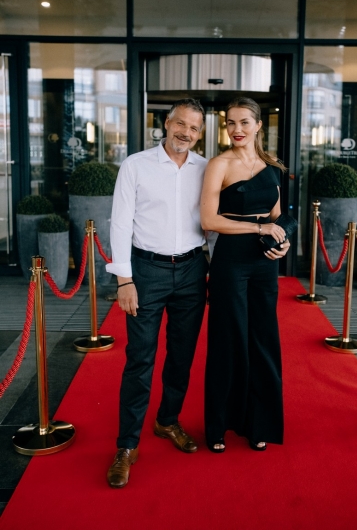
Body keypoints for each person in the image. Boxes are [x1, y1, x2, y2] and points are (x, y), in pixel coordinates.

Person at [105, 98, 209, 488]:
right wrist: (124, 280)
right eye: (180, 124)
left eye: (194, 128)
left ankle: (167, 420)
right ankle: (127, 445)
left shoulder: (206, 168)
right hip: (146, 271)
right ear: (166, 123)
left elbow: (212, 223)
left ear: (200, 133)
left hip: (192, 270)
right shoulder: (136, 165)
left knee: (182, 356)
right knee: (140, 359)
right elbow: (120, 224)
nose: (186, 132)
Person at [200, 96, 290, 453]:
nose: (237, 129)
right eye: (231, 123)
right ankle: (219, 425)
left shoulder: (272, 166)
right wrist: (259, 228)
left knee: (263, 340)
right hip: (231, 261)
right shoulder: (218, 164)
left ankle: (259, 423)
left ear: (258, 126)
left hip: (265, 261)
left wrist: (283, 242)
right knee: (229, 340)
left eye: (244, 122)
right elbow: (209, 220)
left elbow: (277, 216)